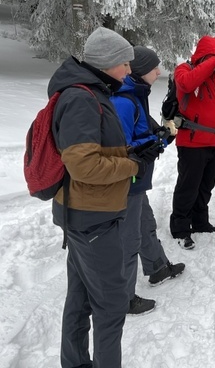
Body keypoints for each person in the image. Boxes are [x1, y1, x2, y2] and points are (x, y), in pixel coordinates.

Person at [49, 27, 143, 367]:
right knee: (111, 305)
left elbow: (92, 150)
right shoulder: (82, 98)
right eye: (124, 64)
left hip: (85, 215)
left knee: (81, 297)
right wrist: (129, 165)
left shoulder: (90, 92)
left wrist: (131, 151)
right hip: (93, 219)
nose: (129, 71)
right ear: (106, 63)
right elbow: (84, 166)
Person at [111, 47, 186, 316]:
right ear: (141, 70)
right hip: (128, 179)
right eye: (155, 67)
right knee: (129, 239)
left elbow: (145, 133)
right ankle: (124, 299)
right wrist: (151, 144)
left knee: (145, 223)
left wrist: (164, 134)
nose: (159, 71)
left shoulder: (136, 95)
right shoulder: (124, 100)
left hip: (138, 178)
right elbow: (119, 146)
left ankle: (157, 268)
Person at [169, 36, 215, 250]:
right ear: (204, 56)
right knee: (188, 187)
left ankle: (199, 221)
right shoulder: (184, 70)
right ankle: (180, 228)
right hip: (192, 141)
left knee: (206, 185)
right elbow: (187, 84)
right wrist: (211, 62)